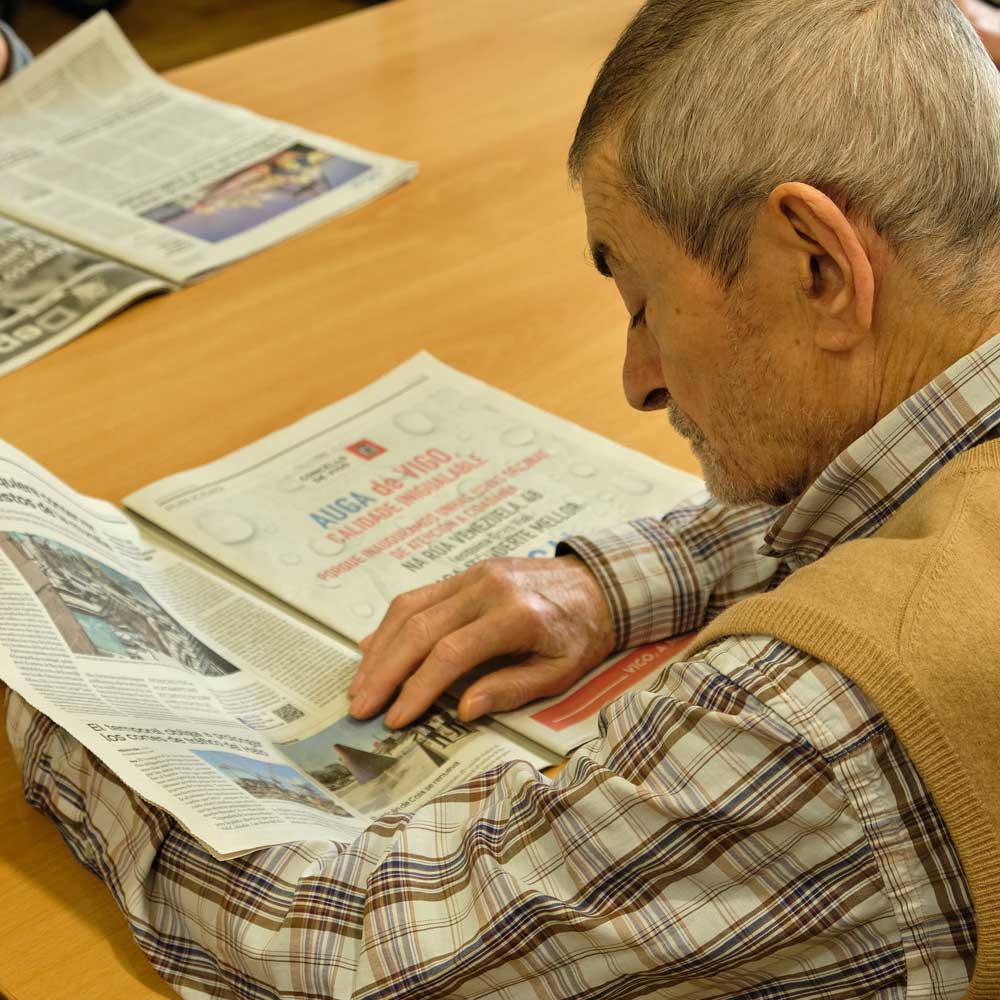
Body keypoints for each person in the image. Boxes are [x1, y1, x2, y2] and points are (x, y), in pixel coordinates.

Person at [6, 1, 1000, 997]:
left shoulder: (809, 719)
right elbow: (896, 493)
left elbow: (350, 955)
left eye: (646, 305)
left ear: (818, 268)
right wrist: (618, 583)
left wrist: (56, 696)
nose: (637, 379)